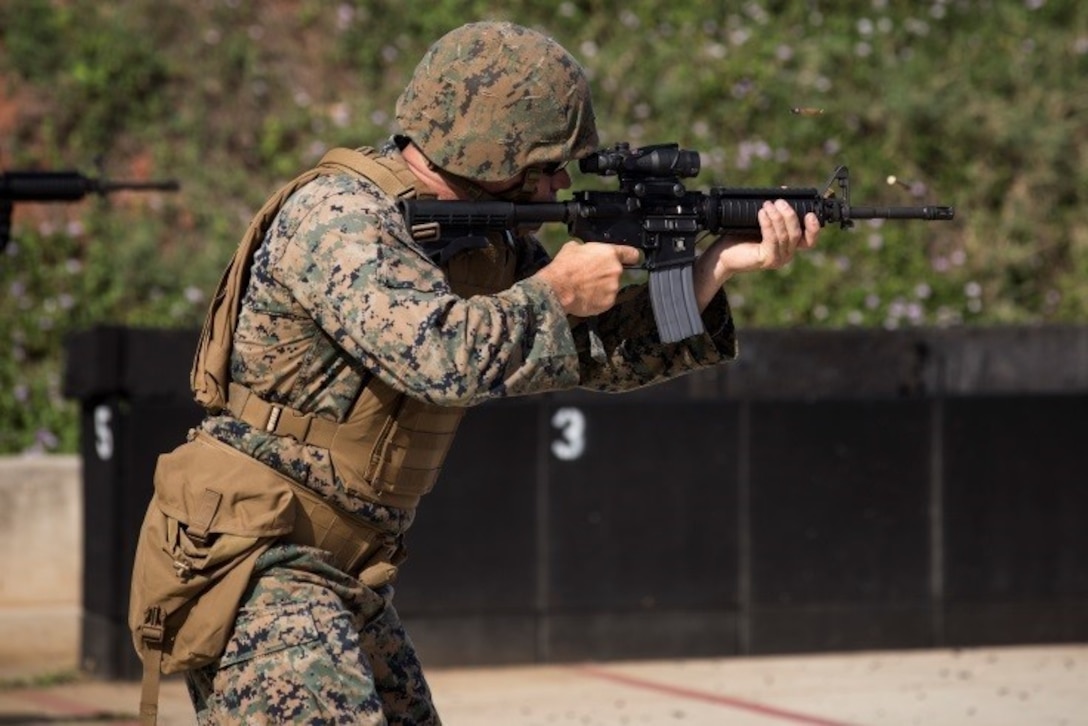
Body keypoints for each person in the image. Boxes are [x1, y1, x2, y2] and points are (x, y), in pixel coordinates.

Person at [137, 20, 819, 726]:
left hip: (346, 568)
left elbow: (594, 353)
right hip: (256, 561)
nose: (559, 182)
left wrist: (711, 268)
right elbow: (437, 357)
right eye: (547, 162)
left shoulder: (482, 238)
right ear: (492, 144)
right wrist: (554, 291)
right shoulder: (341, 217)